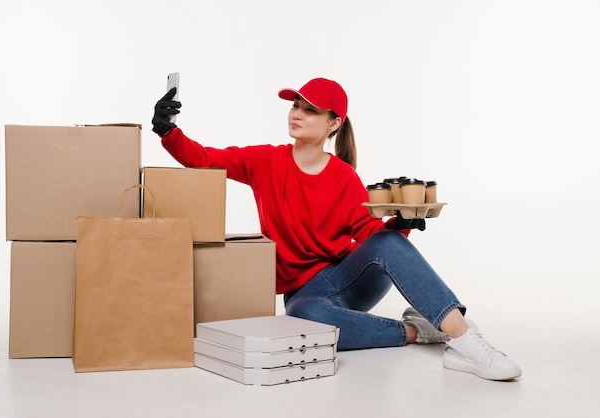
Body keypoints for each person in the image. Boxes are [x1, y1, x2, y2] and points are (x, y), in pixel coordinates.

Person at [151, 77, 522, 381]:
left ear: (333, 123)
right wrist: (168, 131)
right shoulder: (265, 161)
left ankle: (464, 340)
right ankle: (420, 330)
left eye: (310, 109)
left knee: (388, 241)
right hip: (305, 294)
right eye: (296, 105)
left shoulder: (344, 177)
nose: (297, 113)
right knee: (307, 321)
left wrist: (400, 224)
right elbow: (203, 159)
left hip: (349, 279)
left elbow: (369, 233)